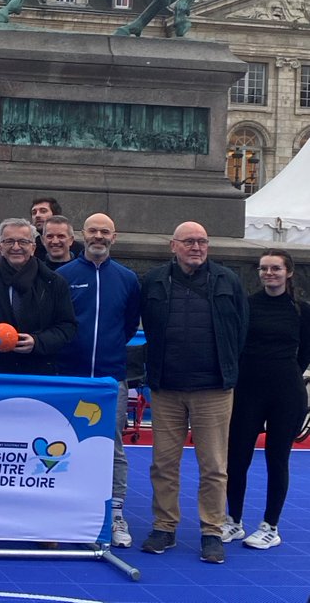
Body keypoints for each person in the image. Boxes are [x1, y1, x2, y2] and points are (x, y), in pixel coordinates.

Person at [139, 221, 249, 564]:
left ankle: (212, 531)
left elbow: (240, 329)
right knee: (163, 463)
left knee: (214, 466)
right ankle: (164, 526)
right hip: (167, 387)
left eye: (201, 241)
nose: (196, 247)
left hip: (213, 388)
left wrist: (227, 368)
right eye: (189, 241)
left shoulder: (227, 280)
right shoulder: (154, 280)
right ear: (173, 245)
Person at [55, 213, 141, 549]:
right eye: (93, 230)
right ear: (82, 235)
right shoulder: (63, 276)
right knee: (64, 442)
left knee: (113, 446)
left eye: (105, 232)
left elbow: (129, 324)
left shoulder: (128, 278)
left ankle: (115, 513)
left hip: (110, 379)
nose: (99, 236)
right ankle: (66, 508)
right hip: (70, 376)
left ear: (114, 237)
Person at [222, 249, 310, 552]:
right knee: (237, 458)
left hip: (286, 393)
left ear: (288, 272)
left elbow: (305, 353)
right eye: (263, 268)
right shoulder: (247, 306)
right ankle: (233, 520)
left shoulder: (302, 310)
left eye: (275, 268)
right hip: (247, 392)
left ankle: (270, 527)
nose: (268, 273)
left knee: (277, 459)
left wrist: (286, 375)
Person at [0, 218, 76, 375]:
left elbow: (67, 326)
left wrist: (37, 342)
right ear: (0, 247)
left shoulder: (53, 282)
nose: (16, 247)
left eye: (23, 242)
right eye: (9, 241)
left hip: (39, 371)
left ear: (33, 247)